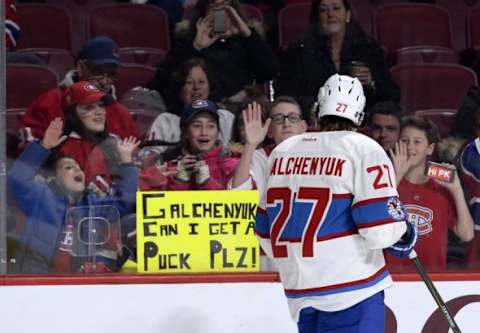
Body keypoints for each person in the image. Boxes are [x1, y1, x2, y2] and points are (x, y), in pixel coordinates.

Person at [255, 74, 416, 332]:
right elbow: (380, 232)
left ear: (318, 110)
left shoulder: (282, 152)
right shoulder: (363, 149)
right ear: (360, 117)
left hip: (301, 294)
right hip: (352, 292)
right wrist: (403, 230)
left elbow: (265, 231)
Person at [8, 117, 140, 274]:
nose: (78, 170)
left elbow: (123, 202)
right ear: (53, 178)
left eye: (79, 168)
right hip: (38, 279)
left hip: (76, 284)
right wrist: (43, 147)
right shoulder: (41, 197)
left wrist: (127, 162)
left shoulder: (92, 205)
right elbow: (17, 178)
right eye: (68, 167)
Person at [276, 0, 400, 118]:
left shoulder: (369, 49)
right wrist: (315, 108)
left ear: (348, 15)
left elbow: (392, 95)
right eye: (323, 10)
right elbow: (286, 95)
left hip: (361, 123)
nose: (330, 14)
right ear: (317, 18)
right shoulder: (299, 51)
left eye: (336, 8)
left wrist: (372, 82)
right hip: (315, 123)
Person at [18, 36, 139, 153]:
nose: (104, 81)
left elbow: (136, 160)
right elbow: (25, 159)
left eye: (112, 74)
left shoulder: (121, 113)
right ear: (81, 67)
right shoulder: (50, 102)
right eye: (97, 71)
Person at [388, 116, 474, 272]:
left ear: (430, 148)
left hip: (433, 278)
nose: (410, 147)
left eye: (417, 142)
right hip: (393, 277)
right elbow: (378, 219)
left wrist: (457, 190)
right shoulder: (387, 181)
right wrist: (396, 176)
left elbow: (466, 235)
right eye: (405, 140)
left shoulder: (441, 187)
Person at [147, 0, 278, 102]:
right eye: (214, 6)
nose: (219, 13)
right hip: (197, 109)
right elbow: (162, 81)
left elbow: (269, 72)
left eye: (225, 7)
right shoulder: (188, 42)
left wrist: (247, 34)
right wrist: (195, 47)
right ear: (203, 12)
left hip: (237, 111)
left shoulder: (247, 42)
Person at [140, 99, 239, 190]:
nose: (204, 132)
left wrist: (207, 183)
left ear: (218, 132)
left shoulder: (233, 166)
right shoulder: (170, 169)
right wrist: (180, 181)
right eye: (197, 126)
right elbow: (152, 204)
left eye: (211, 126)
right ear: (185, 132)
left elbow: (243, 203)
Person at [145, 57, 234, 153]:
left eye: (201, 82)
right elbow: (149, 158)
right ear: (180, 88)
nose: (196, 87)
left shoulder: (225, 118)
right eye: (189, 82)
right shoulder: (165, 121)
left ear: (210, 86)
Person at [230, 96, 307, 194]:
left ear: (303, 127)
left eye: (293, 118)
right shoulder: (258, 157)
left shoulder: (318, 155)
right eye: (278, 119)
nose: (286, 124)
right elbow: (238, 193)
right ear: (269, 130)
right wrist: (250, 145)